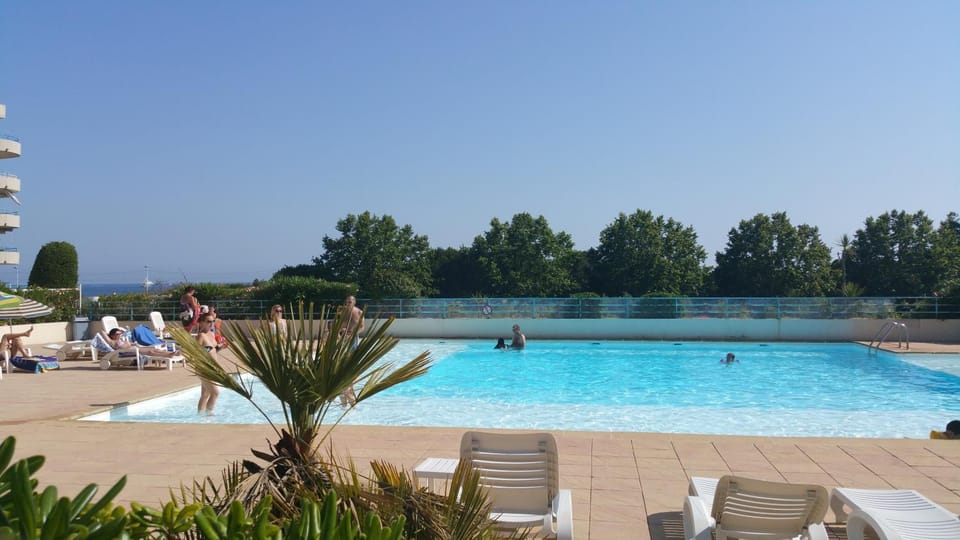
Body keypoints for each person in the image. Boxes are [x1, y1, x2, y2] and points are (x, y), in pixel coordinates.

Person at [338, 295, 365, 407]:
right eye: (347, 301)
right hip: (342, 337)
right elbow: (338, 325)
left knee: (351, 360)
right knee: (342, 360)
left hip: (353, 338)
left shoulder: (359, 312)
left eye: (350, 302)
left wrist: (352, 333)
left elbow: (362, 327)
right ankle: (345, 386)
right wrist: (341, 331)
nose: (348, 303)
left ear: (354, 302)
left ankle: (349, 385)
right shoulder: (342, 312)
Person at [196, 315, 225, 415]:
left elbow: (212, 350)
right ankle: (209, 414)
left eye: (213, 321)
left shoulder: (212, 334)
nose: (211, 323)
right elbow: (196, 352)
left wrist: (220, 347)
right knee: (215, 392)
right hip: (204, 368)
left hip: (212, 367)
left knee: (205, 394)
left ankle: (199, 416)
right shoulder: (201, 336)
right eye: (209, 321)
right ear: (201, 322)